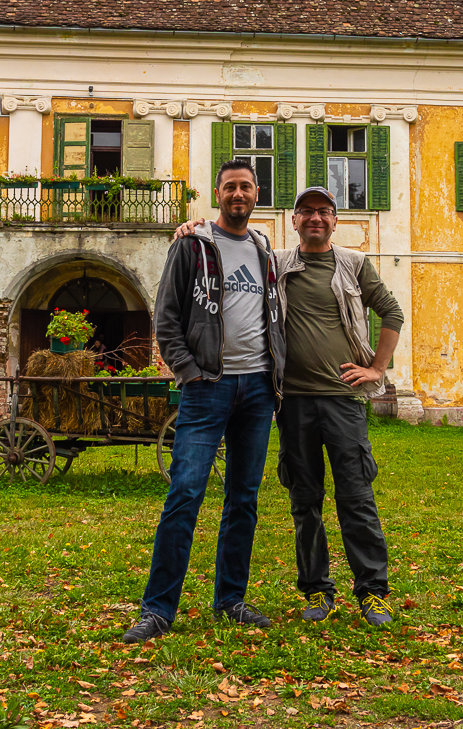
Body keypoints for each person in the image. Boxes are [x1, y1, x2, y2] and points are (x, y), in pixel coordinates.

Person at [175, 185, 403, 627]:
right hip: (292, 402)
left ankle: (373, 592)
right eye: (306, 212)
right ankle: (317, 590)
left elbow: (391, 313)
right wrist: (194, 226)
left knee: (356, 498)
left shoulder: (354, 265)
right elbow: (230, 241)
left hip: (342, 401)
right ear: (294, 220)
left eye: (324, 211)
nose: (315, 218)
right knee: (305, 501)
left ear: (335, 221)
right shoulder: (274, 262)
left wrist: (376, 367)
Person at [121, 159, 285, 644]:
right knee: (185, 493)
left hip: (257, 389)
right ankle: (158, 610)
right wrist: (189, 373)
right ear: (218, 194)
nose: (239, 194)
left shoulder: (264, 250)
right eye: (230, 187)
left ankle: (230, 600)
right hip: (207, 387)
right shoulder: (192, 244)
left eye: (247, 187)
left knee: (244, 499)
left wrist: (276, 378)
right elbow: (166, 320)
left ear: (258, 194)